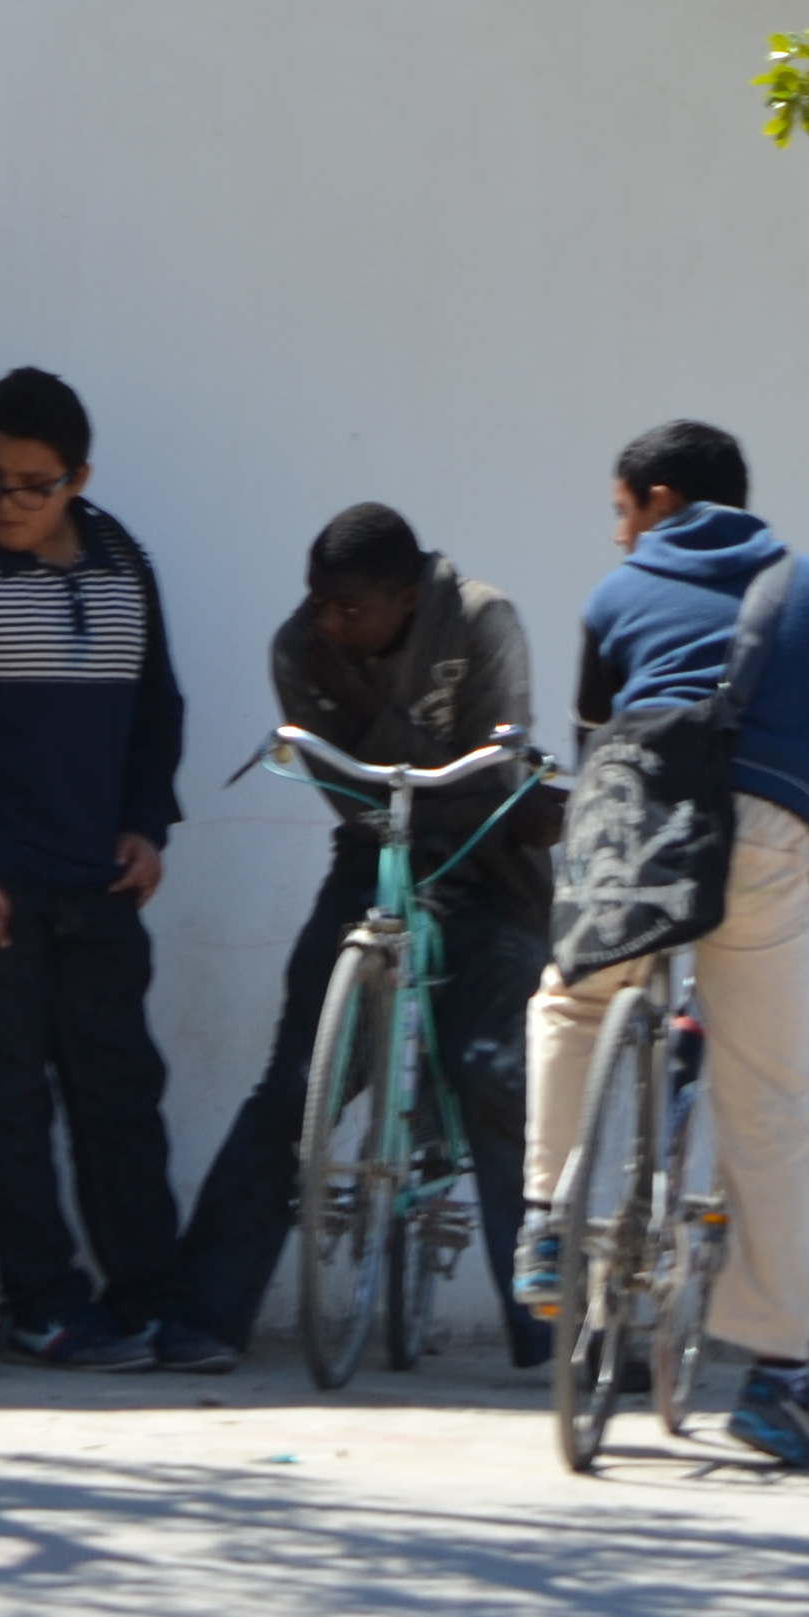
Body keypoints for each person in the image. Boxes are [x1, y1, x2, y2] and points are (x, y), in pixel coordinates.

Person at [515, 419, 809, 1471]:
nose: (618, 534)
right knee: (768, 1100)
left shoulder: (614, 597)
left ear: (658, 499)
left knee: (571, 1000)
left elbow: (594, 753)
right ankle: (776, 1380)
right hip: (769, 836)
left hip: (643, 820)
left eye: (621, 511)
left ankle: (548, 1221)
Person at [0, 365, 219, 1372]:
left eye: (31, 486)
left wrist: (146, 825)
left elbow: (158, 710)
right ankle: (45, 1303)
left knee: (121, 1101)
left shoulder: (124, 563)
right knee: (5, 1108)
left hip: (97, 893)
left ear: (78, 481)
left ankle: (152, 1301)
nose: (5, 504)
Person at [167, 502, 550, 1368]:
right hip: (375, 857)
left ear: (408, 598)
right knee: (297, 1087)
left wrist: (379, 719)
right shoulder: (297, 648)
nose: (327, 623)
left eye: (350, 608)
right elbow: (353, 794)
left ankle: (549, 1327)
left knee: (493, 1082)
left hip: (494, 872)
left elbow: (499, 776)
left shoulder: (482, 622)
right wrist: (399, 763)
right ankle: (200, 1317)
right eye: (318, 601)